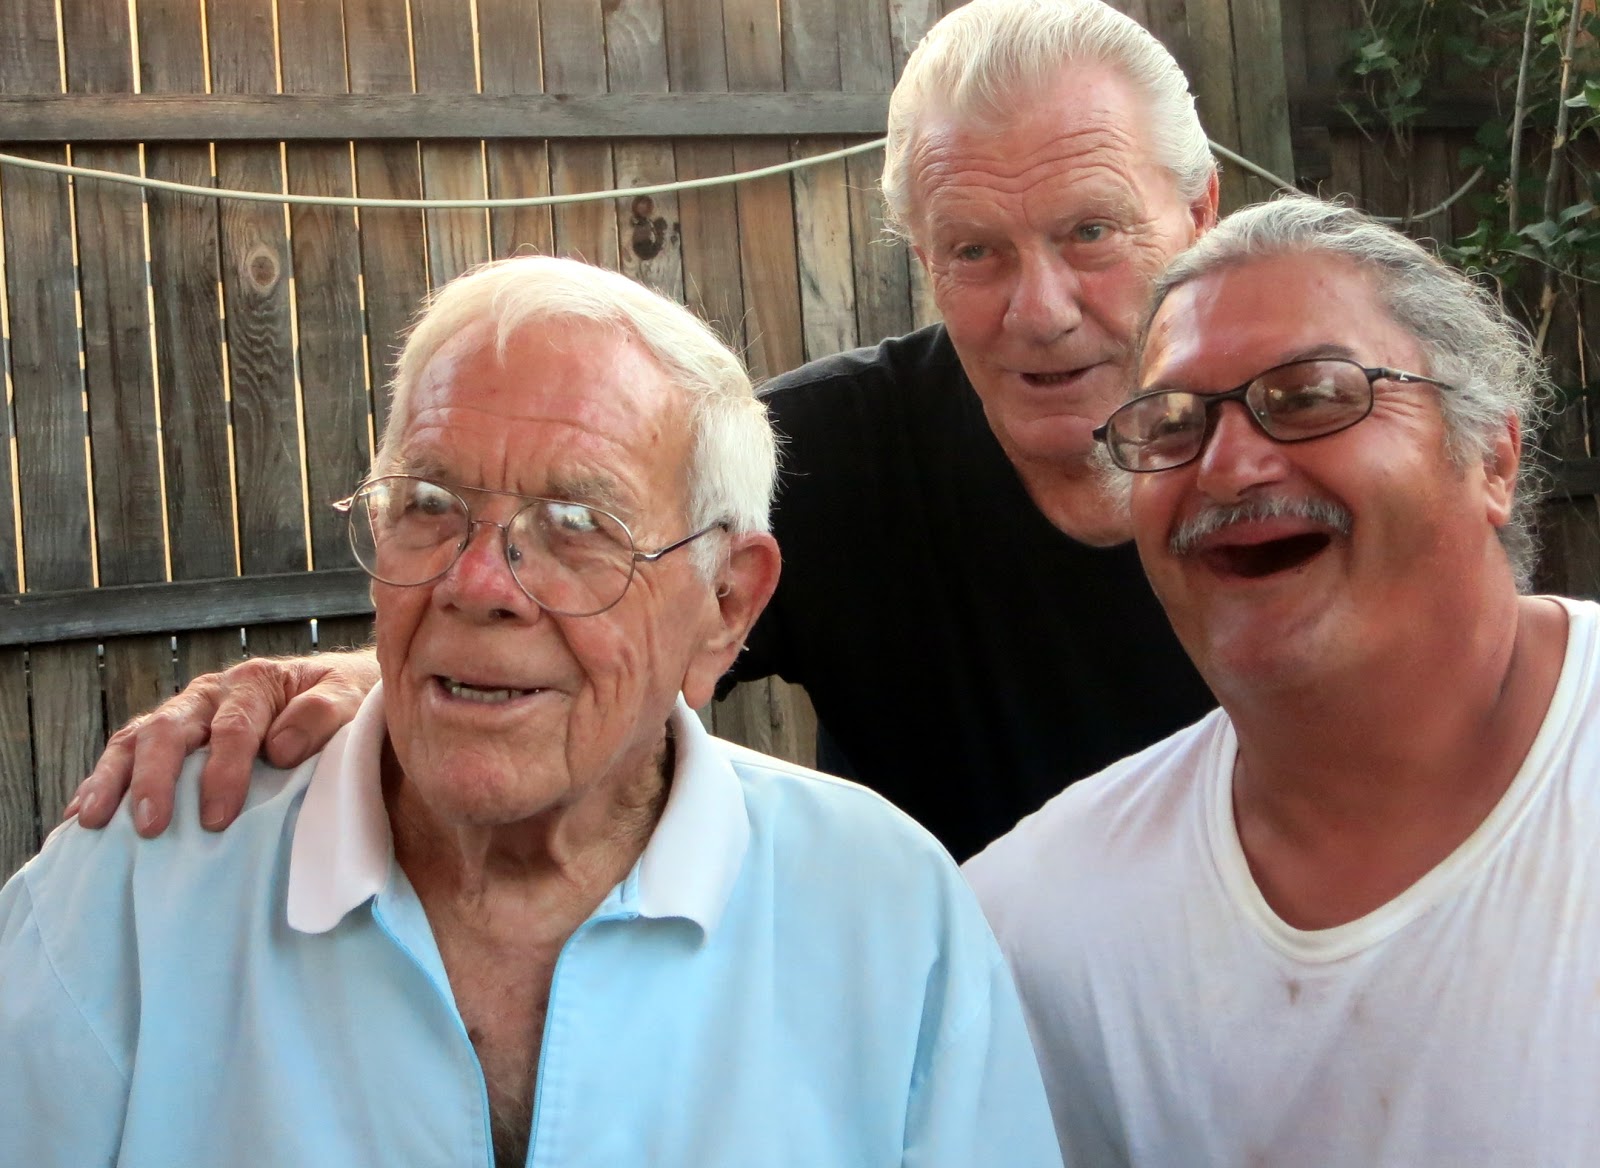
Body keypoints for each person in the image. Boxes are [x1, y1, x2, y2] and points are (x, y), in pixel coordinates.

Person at [65, 0, 1223, 863]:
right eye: (974, 250)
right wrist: (354, 679)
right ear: (923, 258)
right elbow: (588, 610)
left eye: (1090, 232)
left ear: (1199, 211)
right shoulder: (827, 456)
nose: (1038, 308)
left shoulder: (1297, 444)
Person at [0, 256, 1062, 1166]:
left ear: (726, 605)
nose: (478, 582)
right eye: (429, 504)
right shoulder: (143, 883)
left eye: (576, 522)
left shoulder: (882, 911)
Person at [964, 196, 1600, 1165]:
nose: (1226, 468)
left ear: (1492, 459)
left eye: (1307, 397)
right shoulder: (1036, 929)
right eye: (1172, 425)